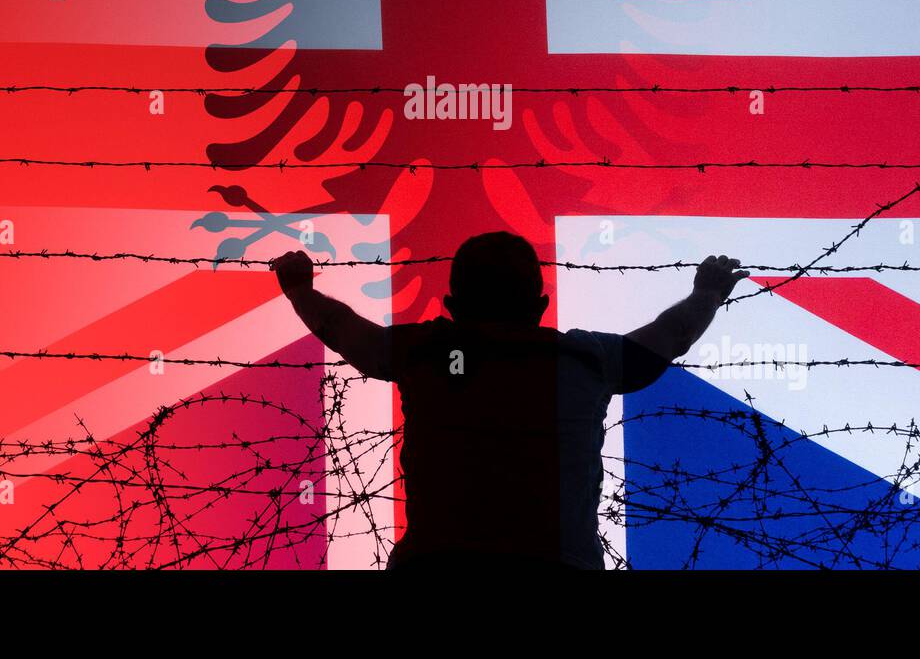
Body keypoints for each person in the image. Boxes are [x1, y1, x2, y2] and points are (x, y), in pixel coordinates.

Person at [270, 231, 748, 570]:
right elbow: (672, 335)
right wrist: (706, 294)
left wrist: (300, 292)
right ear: (540, 309)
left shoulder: (429, 353)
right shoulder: (586, 360)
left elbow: (346, 332)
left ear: (452, 309)